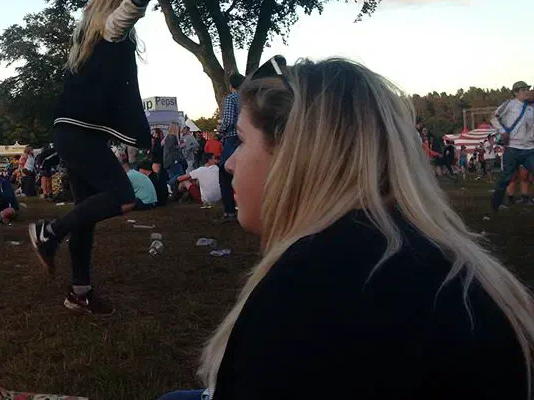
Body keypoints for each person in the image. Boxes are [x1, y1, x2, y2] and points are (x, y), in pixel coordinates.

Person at [159, 58, 533, 400]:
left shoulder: (307, 290)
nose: (229, 163)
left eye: (241, 141)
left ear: (296, 154)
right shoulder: (455, 266)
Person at [29, 0, 164, 316]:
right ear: (117, 3)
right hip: (78, 134)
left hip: (73, 133)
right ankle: (49, 233)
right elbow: (124, 17)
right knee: (122, 196)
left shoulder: (87, 41)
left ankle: (80, 292)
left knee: (85, 215)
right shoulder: (110, 31)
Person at [491, 81, 533, 211]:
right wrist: (503, 131)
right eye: (523, 89)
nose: (527, 91)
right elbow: (493, 117)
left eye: (528, 89)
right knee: (505, 178)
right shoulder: (509, 104)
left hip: (529, 149)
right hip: (512, 148)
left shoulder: (531, 108)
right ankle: (495, 206)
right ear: (515, 92)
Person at [217, 74, 244, 222]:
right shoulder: (251, 98)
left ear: (231, 86)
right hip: (249, 139)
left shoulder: (231, 99)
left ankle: (229, 212)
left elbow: (227, 121)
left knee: (225, 174)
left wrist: (220, 130)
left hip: (233, 139)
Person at [163, 122, 184, 188]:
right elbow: (172, 148)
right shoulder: (172, 136)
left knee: (173, 174)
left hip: (168, 159)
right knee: (179, 174)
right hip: (172, 160)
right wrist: (180, 146)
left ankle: (170, 186)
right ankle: (169, 186)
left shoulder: (168, 137)